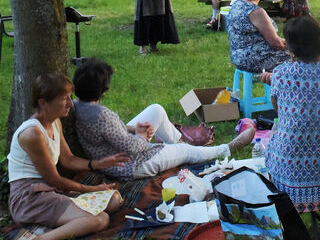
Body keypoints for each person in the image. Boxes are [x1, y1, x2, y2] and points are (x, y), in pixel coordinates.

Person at [0, 74, 129, 240]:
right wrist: (92, 190)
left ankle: (47, 226)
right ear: (43, 103)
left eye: (70, 97)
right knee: (101, 220)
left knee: (113, 200)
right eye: (65, 99)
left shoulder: (55, 122)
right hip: (29, 197)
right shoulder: (32, 133)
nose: (71, 104)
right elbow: (54, 180)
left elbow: (68, 160)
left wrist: (98, 164)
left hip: (49, 191)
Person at [72, 58, 255, 180]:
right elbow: (134, 147)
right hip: (130, 165)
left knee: (156, 110)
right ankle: (225, 150)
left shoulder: (77, 105)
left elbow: (111, 132)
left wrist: (134, 129)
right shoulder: (101, 116)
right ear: (103, 90)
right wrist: (141, 135)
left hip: (116, 149)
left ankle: (182, 146)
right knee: (184, 151)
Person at [265, 16, 320, 211]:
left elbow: (279, 111)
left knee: (276, 134)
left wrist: (273, 82)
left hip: (291, 179)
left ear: (291, 48)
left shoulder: (281, 74)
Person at [227, 0, 291, 74]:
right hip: (255, 59)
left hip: (238, 57)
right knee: (300, 55)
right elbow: (276, 43)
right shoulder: (256, 12)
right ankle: (296, 87)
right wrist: (296, 45)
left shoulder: (236, 4)